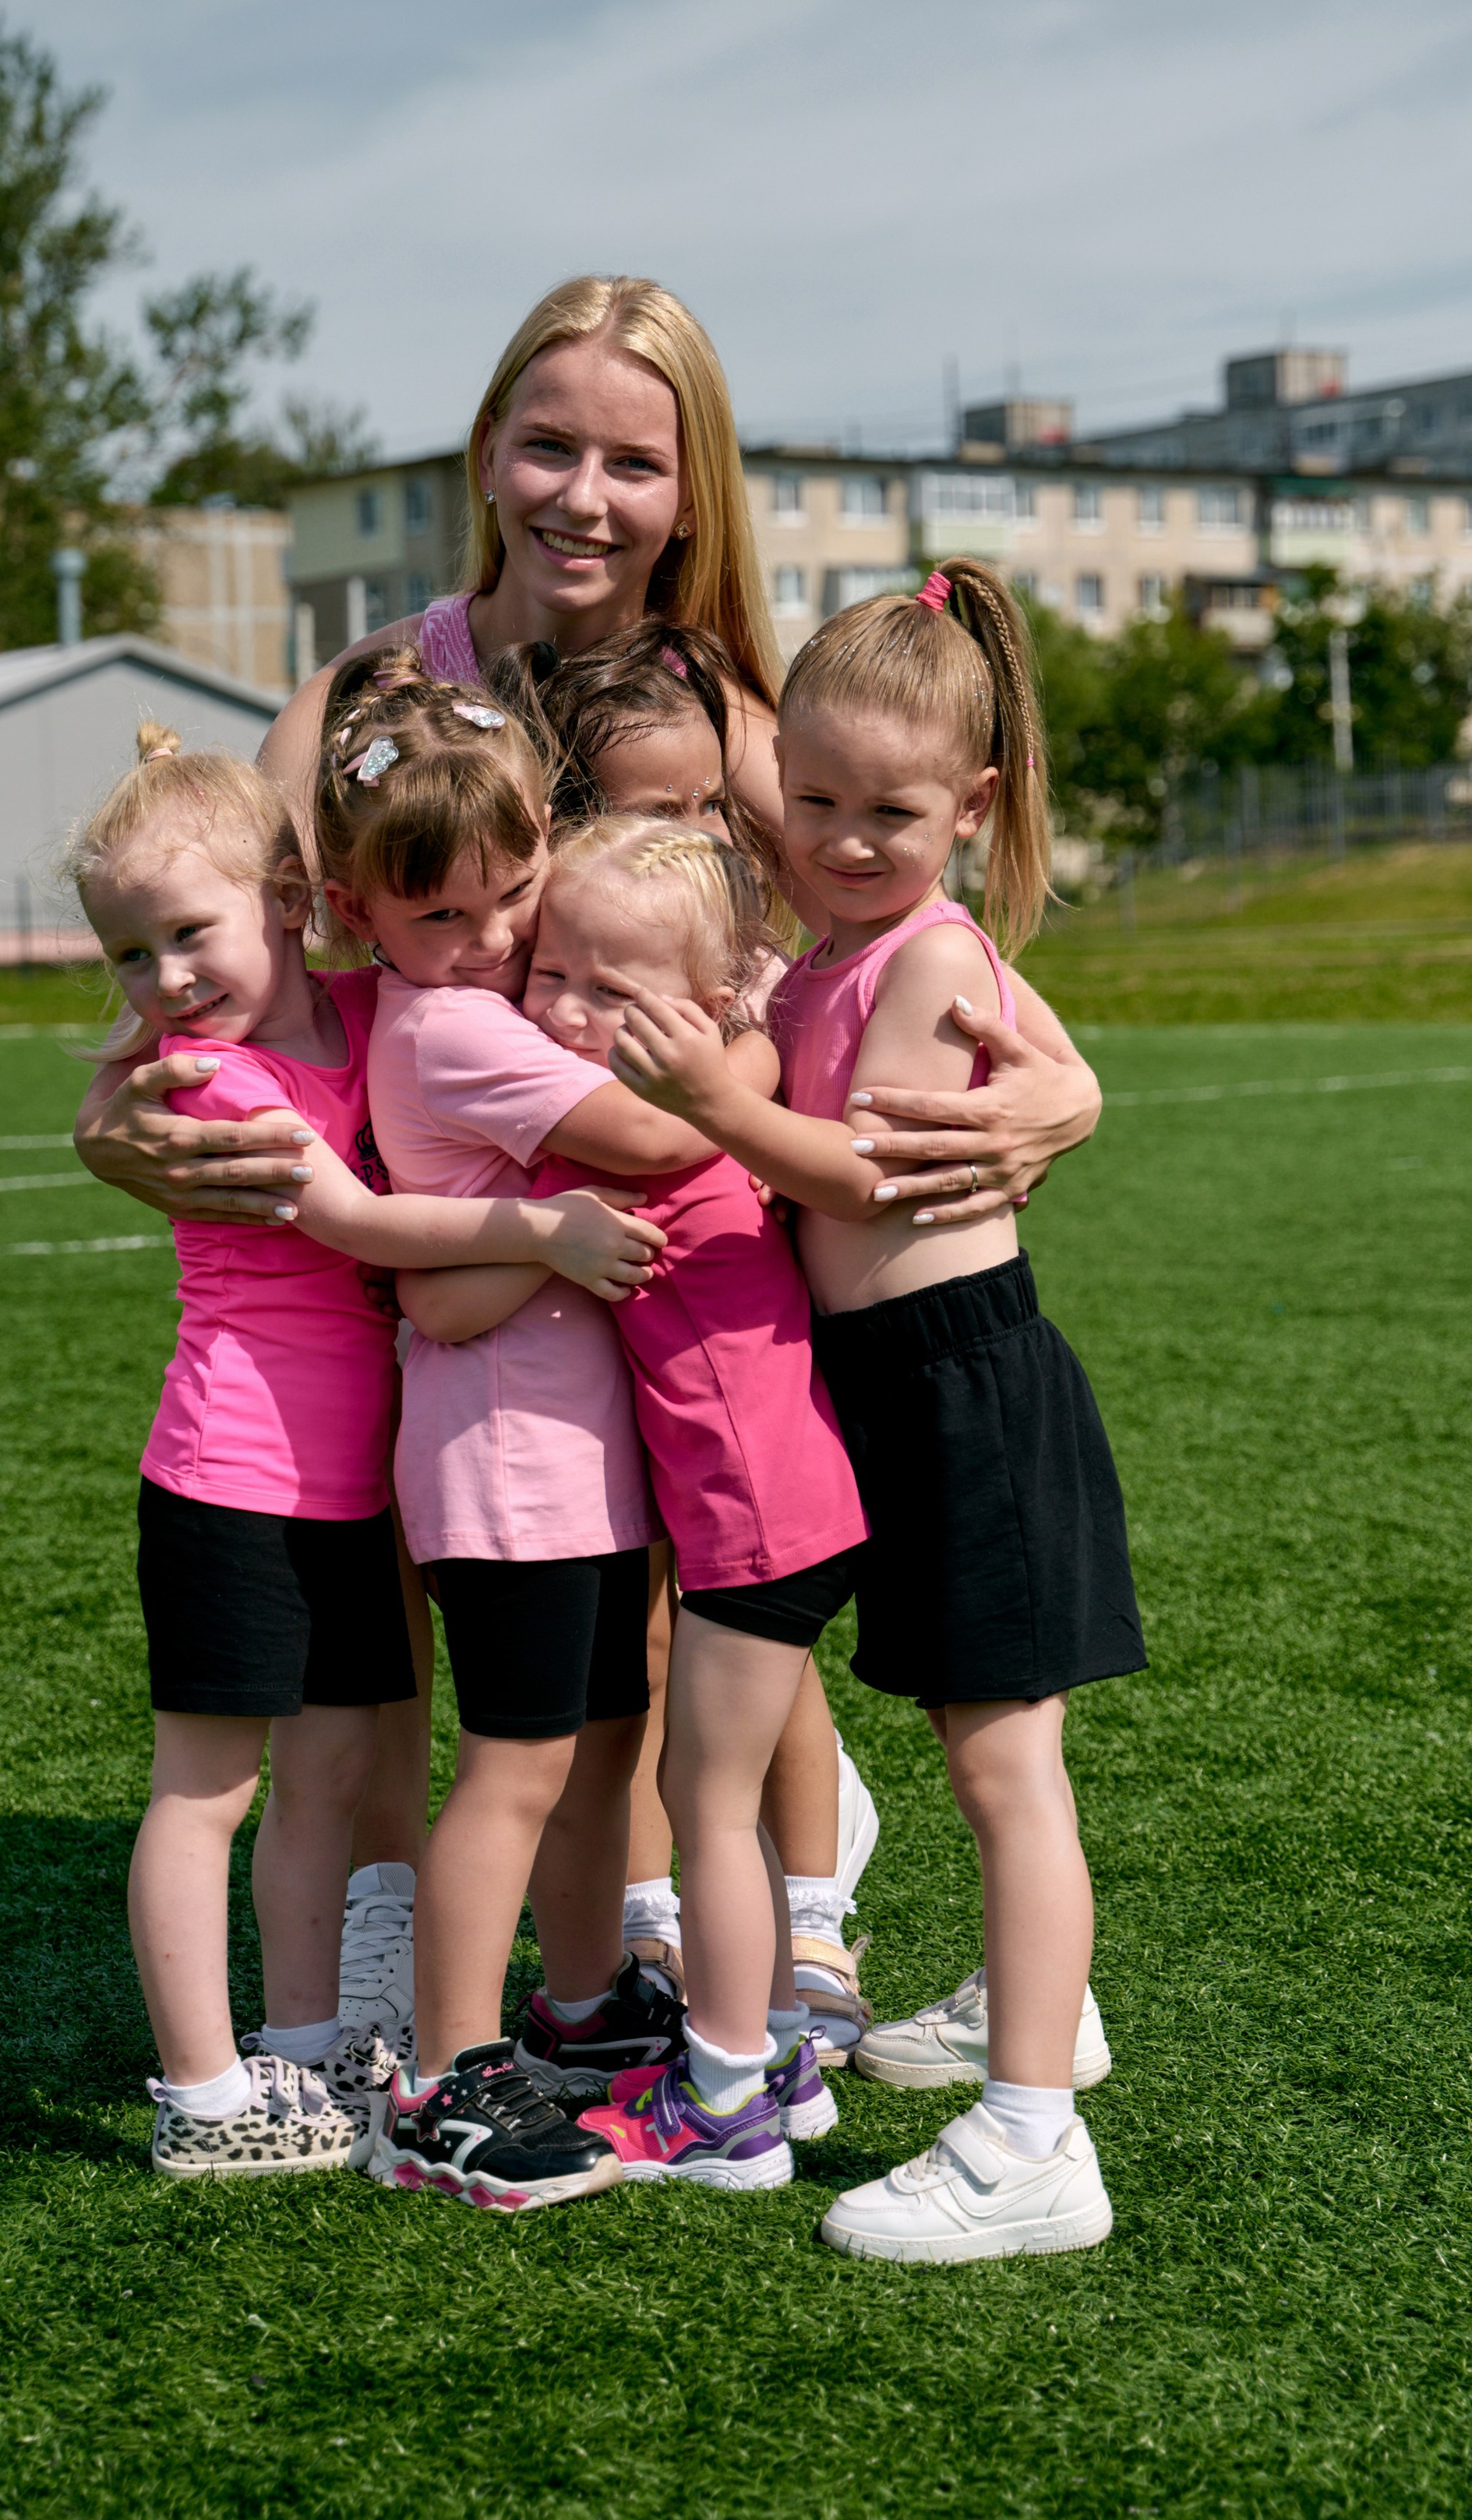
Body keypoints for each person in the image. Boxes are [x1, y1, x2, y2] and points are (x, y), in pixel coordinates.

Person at [72, 274, 1107, 2044]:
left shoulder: (721, 702)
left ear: (688, 490)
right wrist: (113, 1120)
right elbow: (222, 959)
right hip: (456, 1227)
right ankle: (412, 1925)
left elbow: (897, 912)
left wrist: (1068, 1095)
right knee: (441, 1591)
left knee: (708, 1574)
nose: (581, 494)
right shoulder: (367, 695)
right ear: (485, 454)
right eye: (545, 445)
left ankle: (774, 1919)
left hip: (688, 1223)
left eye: (631, 459)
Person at [612, 559, 1146, 2264]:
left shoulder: (928, 956)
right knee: (967, 1747)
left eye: (891, 810)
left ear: (972, 807)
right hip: (886, 1390)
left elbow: (855, 1172)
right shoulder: (833, 954)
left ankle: (1032, 2139)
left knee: (1006, 1767)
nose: (844, 837)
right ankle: (1031, 2031)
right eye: (815, 801)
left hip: (966, 1386)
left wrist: (711, 1101)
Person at [66, 722, 665, 2180]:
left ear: (290, 896)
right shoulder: (207, 1083)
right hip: (231, 1472)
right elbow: (354, 1221)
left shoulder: (356, 1005)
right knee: (203, 1792)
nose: (166, 983)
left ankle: (309, 2048)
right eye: (131, 959)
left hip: (347, 1487)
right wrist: (543, 1230)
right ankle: (205, 2092)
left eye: (187, 937)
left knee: (330, 1779)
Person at [401, 815, 867, 2189]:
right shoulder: (689, 1118)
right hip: (774, 1505)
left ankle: (727, 2090)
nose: (567, 1009)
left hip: (749, 1517)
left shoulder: (648, 1143)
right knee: (688, 1788)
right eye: (557, 972)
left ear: (706, 1010)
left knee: (705, 1801)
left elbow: (446, 1299)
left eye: (615, 990)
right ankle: (747, 2049)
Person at [492, 616, 881, 2042]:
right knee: (658, 1666)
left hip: (756, 1426)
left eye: (716, 801)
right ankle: (678, 1939)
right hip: (655, 1408)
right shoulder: (567, 976)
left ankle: (810, 1935)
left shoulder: (721, 996)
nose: (713, 832)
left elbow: (711, 1114)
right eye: (666, 810)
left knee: (755, 1688)